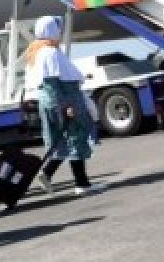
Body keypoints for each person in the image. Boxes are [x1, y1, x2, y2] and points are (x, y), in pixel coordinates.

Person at [24, 18, 106, 196]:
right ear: (51, 31)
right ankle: (82, 184)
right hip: (62, 101)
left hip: (49, 102)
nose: (59, 33)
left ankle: (47, 173)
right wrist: (66, 106)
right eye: (57, 29)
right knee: (76, 138)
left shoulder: (37, 51)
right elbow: (53, 82)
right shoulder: (50, 53)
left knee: (63, 140)